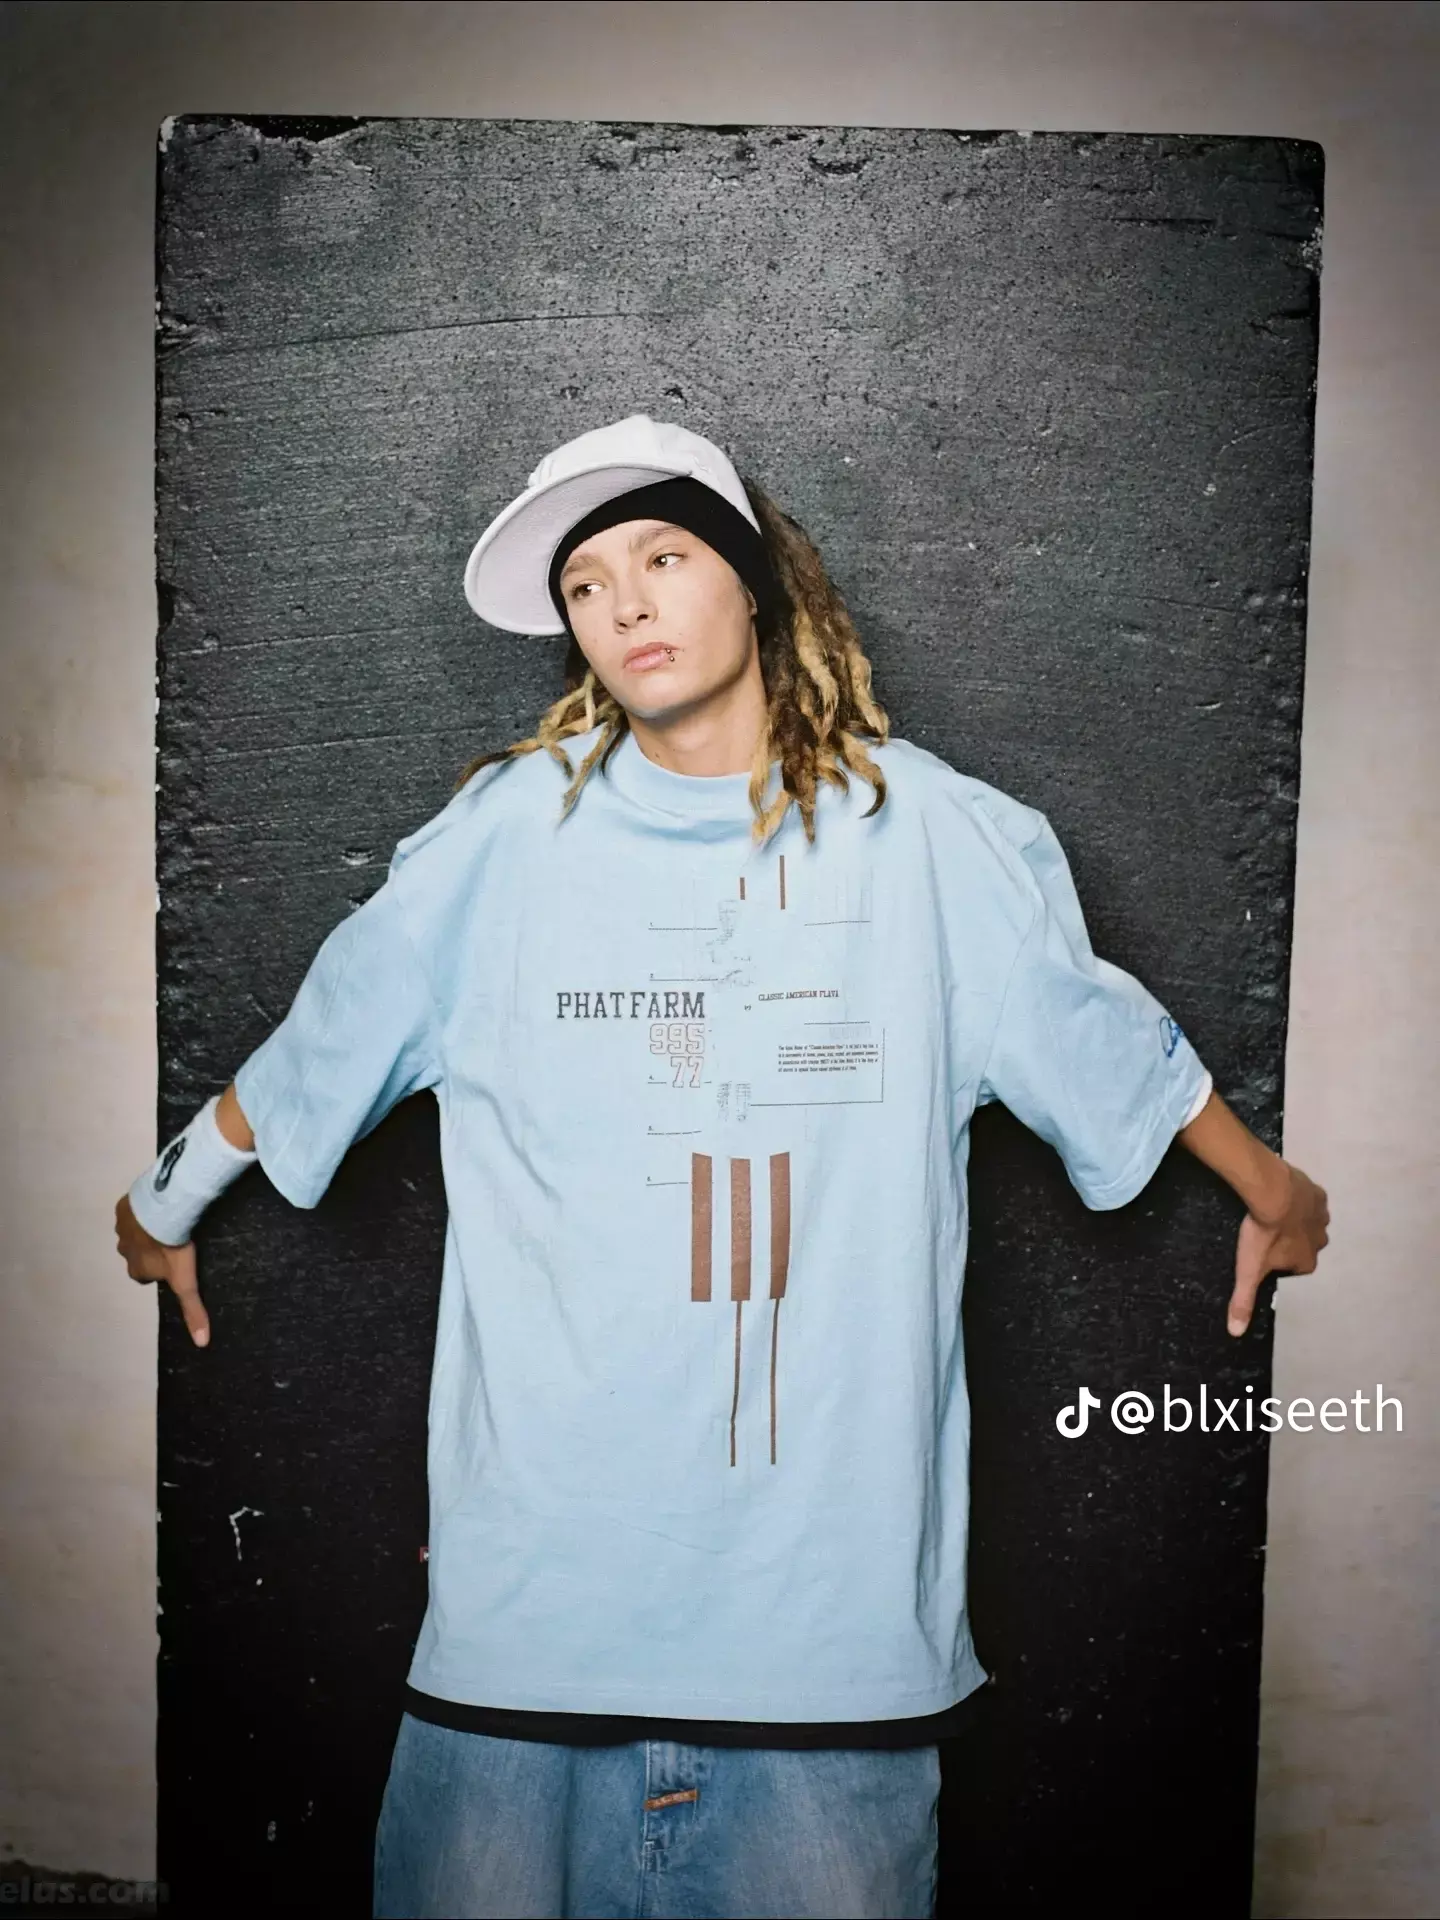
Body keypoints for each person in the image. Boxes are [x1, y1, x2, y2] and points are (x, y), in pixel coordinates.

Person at [115, 414, 1330, 1920]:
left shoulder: (931, 840)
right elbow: (319, 1045)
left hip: (827, 1667)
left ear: (752, 581)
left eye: (664, 557)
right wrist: (165, 1197)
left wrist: (1273, 1191)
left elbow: (1111, 1047)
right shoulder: (501, 844)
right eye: (584, 585)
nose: (622, 603)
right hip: (526, 1653)